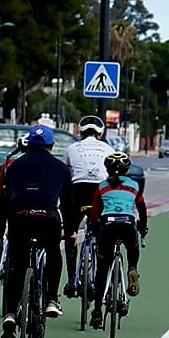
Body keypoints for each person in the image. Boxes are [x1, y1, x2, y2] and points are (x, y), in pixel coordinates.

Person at [0, 123, 72, 338]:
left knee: (17, 263)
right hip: (48, 219)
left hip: (21, 218)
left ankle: (10, 312)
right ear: (51, 145)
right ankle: (51, 299)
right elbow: (67, 204)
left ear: (28, 144)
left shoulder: (14, 167)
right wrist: (72, 230)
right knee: (54, 253)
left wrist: (1, 235)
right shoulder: (60, 168)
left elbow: (4, 203)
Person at [88, 151, 148, 331]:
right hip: (128, 224)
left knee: (102, 270)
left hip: (108, 225)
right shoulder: (135, 185)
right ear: (127, 169)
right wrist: (143, 228)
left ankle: (97, 311)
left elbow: (94, 213)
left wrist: (94, 227)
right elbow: (142, 209)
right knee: (132, 247)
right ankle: (132, 268)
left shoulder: (101, 186)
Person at [62, 115, 114, 297]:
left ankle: (71, 281)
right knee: (103, 238)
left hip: (79, 191)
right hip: (100, 191)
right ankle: (101, 283)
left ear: (80, 133)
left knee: (70, 232)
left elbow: (66, 175)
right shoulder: (108, 148)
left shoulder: (71, 148)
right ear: (100, 134)